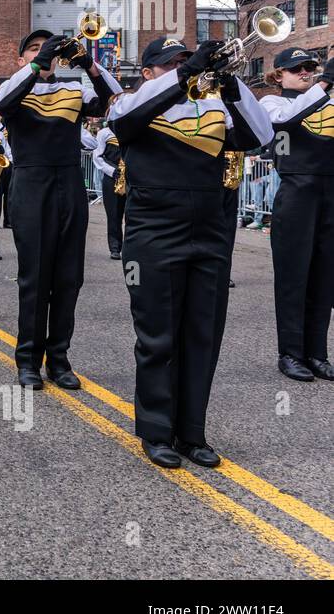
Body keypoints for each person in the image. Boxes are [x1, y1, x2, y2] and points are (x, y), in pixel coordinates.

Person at [109, 37, 272, 468]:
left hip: (209, 230)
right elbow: (123, 126)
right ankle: (157, 431)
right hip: (153, 231)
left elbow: (259, 135)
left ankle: (191, 432)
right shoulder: (131, 102)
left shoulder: (215, 106)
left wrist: (231, 82)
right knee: (158, 334)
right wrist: (184, 75)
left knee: (203, 334)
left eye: (189, 59)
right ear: (148, 72)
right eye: (173, 62)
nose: (187, 67)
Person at [0, 30, 122, 389]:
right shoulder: (15, 85)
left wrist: (88, 63)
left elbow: (112, 99)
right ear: (20, 60)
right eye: (32, 48)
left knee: (69, 278)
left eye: (46, 47)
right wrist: (39, 64)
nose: (41, 52)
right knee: (36, 277)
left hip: (69, 183)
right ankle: (27, 359)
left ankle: (58, 358)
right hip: (31, 184)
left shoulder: (74, 90)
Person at [258, 48, 334, 382]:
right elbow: (284, 122)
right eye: (297, 68)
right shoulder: (272, 104)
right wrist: (327, 81)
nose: (305, 72)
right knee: (293, 279)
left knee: (325, 278)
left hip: (331, 195)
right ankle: (290, 353)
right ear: (278, 75)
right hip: (296, 195)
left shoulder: (328, 102)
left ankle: (317, 353)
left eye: (310, 67)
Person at [92, 117, 125, 259]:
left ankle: (130, 247)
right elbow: (97, 156)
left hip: (131, 178)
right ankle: (115, 248)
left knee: (133, 215)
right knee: (113, 215)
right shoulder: (105, 133)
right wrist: (112, 171)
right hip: (112, 178)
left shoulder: (133, 130)